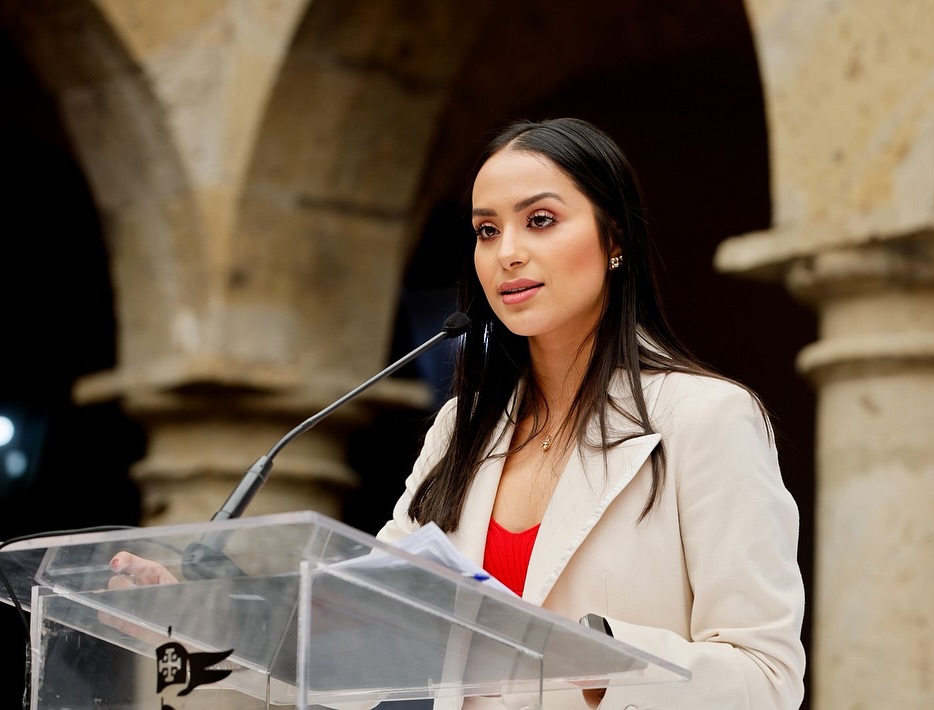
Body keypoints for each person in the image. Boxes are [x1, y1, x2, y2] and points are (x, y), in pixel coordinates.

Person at [110, 117, 806, 709]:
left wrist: (601, 658)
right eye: (485, 230)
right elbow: (359, 643)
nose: (508, 253)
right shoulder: (459, 432)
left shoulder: (707, 418)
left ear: (614, 237)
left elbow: (769, 678)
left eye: (540, 221)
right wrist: (198, 619)